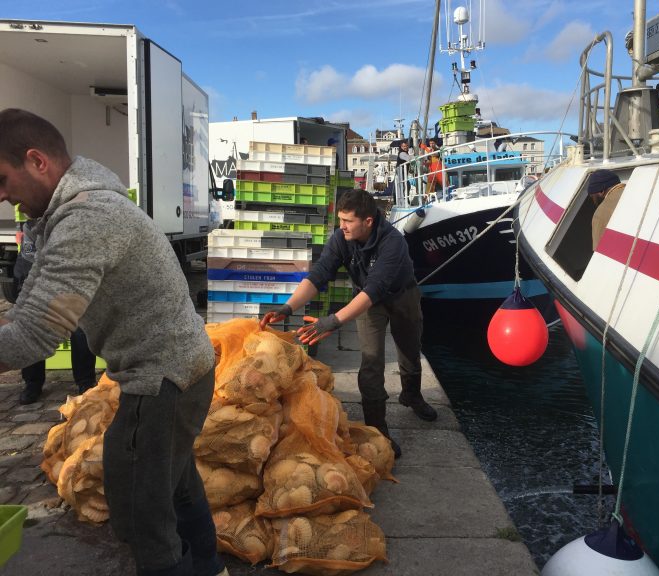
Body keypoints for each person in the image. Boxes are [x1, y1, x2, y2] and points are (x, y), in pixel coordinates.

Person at [0, 109, 226, 576]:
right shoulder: (70, 214)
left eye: (2, 179)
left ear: (37, 161)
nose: (2, 196)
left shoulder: (88, 219)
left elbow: (37, 333)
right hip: (180, 368)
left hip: (161, 378)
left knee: (141, 514)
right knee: (175, 483)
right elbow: (29, 307)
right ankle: (209, 566)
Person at [260, 189, 437, 458]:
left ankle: (411, 395)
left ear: (368, 221)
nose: (341, 226)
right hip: (367, 302)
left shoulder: (393, 242)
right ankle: (378, 431)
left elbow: (375, 289)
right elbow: (318, 276)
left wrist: (331, 322)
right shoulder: (342, 238)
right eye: (340, 220)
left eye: (347, 221)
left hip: (402, 295)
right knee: (371, 361)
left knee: (410, 350)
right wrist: (288, 307)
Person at [13, 217, 97, 404]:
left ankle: (86, 382)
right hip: (38, 284)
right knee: (29, 328)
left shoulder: (76, 219)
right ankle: (32, 383)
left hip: (71, 284)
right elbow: (27, 265)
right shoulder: (32, 226)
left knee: (80, 329)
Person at [587, 169, 625, 250]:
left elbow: (599, 251)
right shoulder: (637, 192)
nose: (592, 200)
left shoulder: (600, 214)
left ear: (601, 191)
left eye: (591, 196)